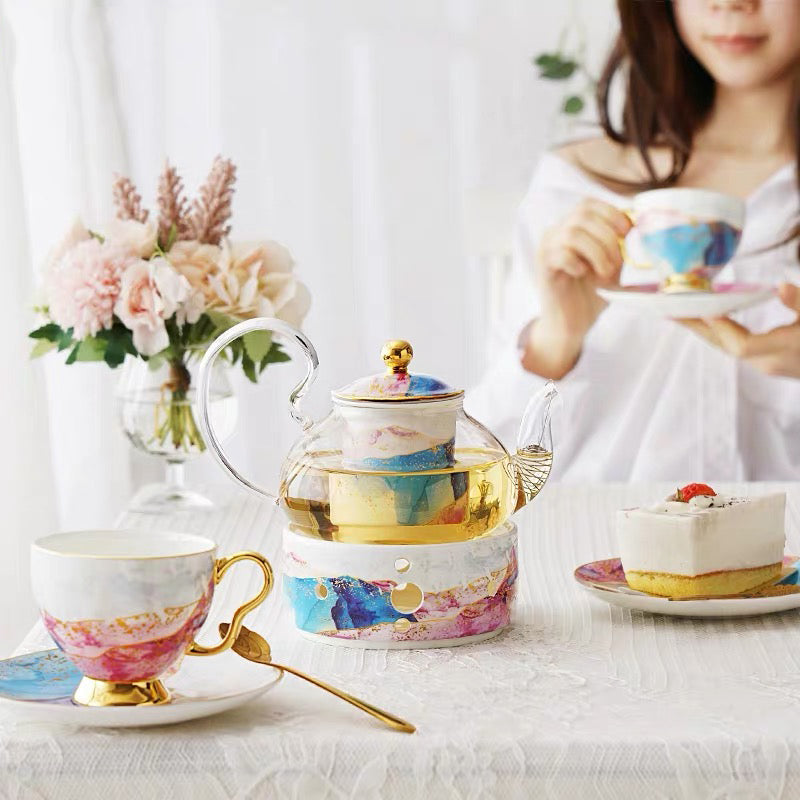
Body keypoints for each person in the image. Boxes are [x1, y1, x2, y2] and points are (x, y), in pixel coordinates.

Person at [468, 0, 800, 481]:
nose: (730, 4)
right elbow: (490, 460)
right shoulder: (575, 184)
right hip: (590, 540)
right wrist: (558, 337)